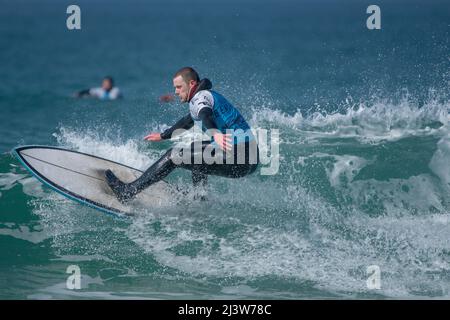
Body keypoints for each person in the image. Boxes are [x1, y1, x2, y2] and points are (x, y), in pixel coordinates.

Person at [105, 67, 259, 203]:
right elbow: (188, 121)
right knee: (195, 149)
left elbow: (206, 115)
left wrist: (215, 134)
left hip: (240, 157)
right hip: (249, 157)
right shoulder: (203, 96)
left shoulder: (200, 98)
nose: (176, 91)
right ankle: (200, 198)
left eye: (179, 87)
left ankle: (128, 192)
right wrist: (163, 135)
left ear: (191, 84)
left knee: (174, 156)